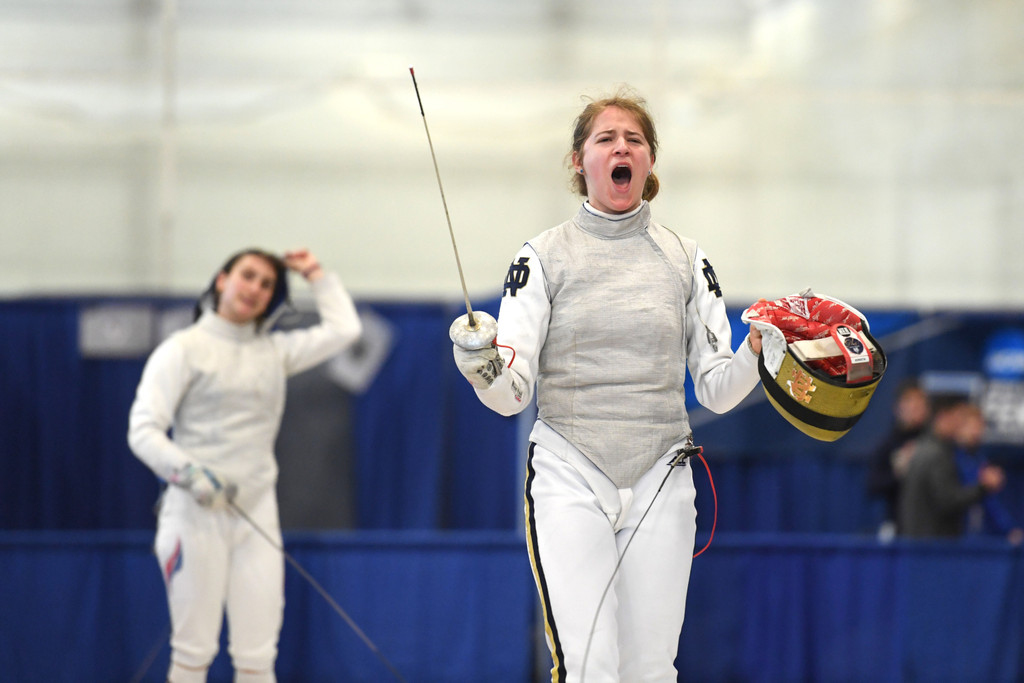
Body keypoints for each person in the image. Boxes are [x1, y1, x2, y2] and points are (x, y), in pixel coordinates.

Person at [452, 90, 763, 681]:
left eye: (635, 140)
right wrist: (481, 365)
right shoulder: (542, 257)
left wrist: (756, 350)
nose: (622, 148)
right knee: (589, 664)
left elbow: (717, 390)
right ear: (579, 160)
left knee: (651, 668)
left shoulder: (686, 259)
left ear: (649, 162)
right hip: (570, 469)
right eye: (606, 139)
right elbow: (511, 396)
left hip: (662, 474)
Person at [128, 248, 362, 683]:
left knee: (257, 657)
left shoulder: (273, 351)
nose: (255, 288)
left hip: (257, 516)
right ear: (222, 280)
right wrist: (190, 474)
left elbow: (345, 329)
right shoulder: (183, 349)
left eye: (267, 284)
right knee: (193, 651)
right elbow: (142, 429)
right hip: (194, 515)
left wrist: (316, 275)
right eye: (248, 276)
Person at [898, 395, 1006, 540]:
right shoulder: (937, 455)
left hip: (925, 543)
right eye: (959, 417)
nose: (961, 423)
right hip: (932, 546)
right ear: (944, 416)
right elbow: (948, 501)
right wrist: (983, 487)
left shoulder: (931, 448)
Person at [866, 379, 931, 537]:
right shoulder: (888, 445)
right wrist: (900, 472)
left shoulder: (936, 444)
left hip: (932, 528)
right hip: (898, 525)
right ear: (898, 408)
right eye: (909, 401)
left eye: (920, 402)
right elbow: (873, 485)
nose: (915, 407)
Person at [952, 403, 1024, 544]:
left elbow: (991, 502)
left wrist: (1009, 529)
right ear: (958, 427)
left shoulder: (980, 458)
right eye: (970, 426)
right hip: (953, 535)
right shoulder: (950, 457)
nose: (975, 431)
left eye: (979, 426)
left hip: (979, 536)